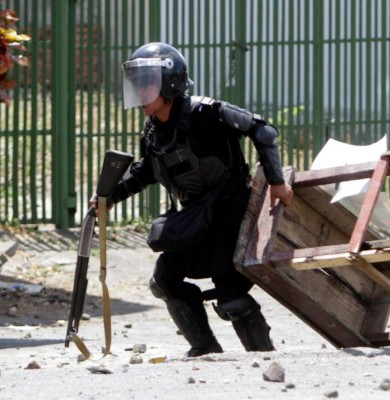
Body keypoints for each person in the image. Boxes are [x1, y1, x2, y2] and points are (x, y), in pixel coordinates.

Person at [91, 42, 293, 357]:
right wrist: (110, 197)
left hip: (230, 218)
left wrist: (277, 183)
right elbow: (147, 170)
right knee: (164, 280)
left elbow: (262, 130)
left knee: (232, 302)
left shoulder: (206, 112)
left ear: (170, 83)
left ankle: (263, 359)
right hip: (197, 221)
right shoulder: (154, 130)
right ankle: (205, 348)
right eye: (138, 84)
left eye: (149, 83)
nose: (141, 92)